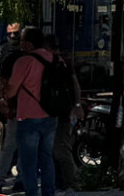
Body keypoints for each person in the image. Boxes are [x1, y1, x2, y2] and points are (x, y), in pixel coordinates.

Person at [5, 27, 55, 196]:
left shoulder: (24, 61)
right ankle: (49, 192)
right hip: (50, 116)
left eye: (21, 41)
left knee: (29, 163)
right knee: (47, 159)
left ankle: (32, 193)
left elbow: (11, 91)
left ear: (27, 43)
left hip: (28, 118)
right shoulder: (54, 59)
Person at [43, 36, 82, 196]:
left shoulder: (57, 64)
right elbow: (75, 85)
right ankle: (62, 182)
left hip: (59, 113)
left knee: (60, 149)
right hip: (60, 112)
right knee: (56, 150)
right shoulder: (64, 62)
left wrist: (76, 105)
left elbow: (74, 85)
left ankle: (70, 182)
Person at [0, 22, 23, 194]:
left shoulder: (27, 52)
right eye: (10, 33)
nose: (12, 37)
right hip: (8, 104)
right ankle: (1, 178)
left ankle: (19, 178)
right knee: (9, 143)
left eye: (16, 33)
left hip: (24, 105)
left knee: (22, 144)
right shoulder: (1, 52)